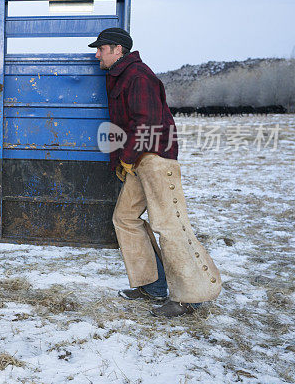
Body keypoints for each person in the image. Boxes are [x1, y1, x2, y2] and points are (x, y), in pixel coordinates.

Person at [89, 27, 221, 317]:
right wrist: (124, 161)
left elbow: (146, 123)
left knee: (169, 225)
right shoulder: (121, 77)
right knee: (124, 218)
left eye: (101, 49)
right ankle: (153, 284)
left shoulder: (138, 77)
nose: (96, 54)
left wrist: (126, 157)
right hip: (139, 159)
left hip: (156, 159)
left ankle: (190, 297)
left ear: (118, 50)